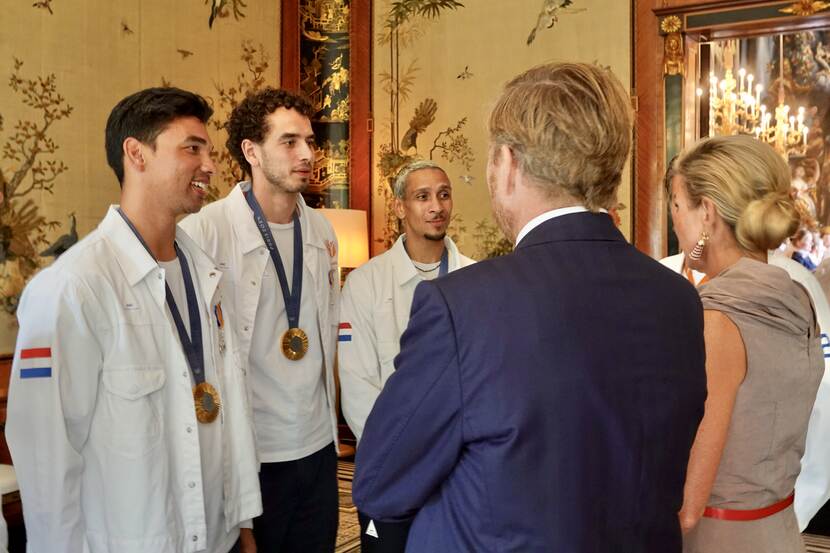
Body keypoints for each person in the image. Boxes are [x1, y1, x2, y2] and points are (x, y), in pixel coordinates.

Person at [352, 62, 707, 552]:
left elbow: (379, 479)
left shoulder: (463, 306)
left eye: (490, 161)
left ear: (510, 163)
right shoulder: (678, 298)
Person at [6, 87, 261, 553]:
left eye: (208, 150)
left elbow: (228, 412)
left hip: (216, 537)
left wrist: (241, 523)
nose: (210, 165)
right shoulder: (74, 287)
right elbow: (47, 460)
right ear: (136, 153)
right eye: (192, 148)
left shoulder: (207, 275)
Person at [181, 87, 340, 553]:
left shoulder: (322, 230)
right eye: (289, 142)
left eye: (310, 141)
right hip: (251, 455)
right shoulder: (202, 232)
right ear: (251, 151)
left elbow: (325, 332)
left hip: (316, 448)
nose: (308, 154)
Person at [669, 135, 823, 553]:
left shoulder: (716, 317)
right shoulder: (800, 299)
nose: (674, 222)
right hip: (782, 531)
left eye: (677, 207)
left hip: (719, 540)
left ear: (708, 214)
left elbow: (688, 506)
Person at [338, 159, 474, 551]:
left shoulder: (476, 278)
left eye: (444, 194)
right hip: (389, 471)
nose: (436, 206)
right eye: (422, 196)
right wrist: (408, 455)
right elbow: (358, 388)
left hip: (460, 474)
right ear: (399, 207)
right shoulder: (365, 284)